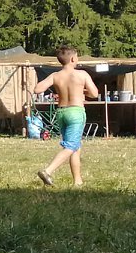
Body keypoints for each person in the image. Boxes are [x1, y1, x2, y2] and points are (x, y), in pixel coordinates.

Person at [31, 46, 99, 187]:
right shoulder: (82, 74)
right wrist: (82, 90)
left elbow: (37, 89)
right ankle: (48, 170)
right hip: (76, 112)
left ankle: (78, 181)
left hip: (61, 112)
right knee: (70, 146)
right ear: (73, 59)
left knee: (75, 147)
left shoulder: (55, 76)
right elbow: (94, 94)